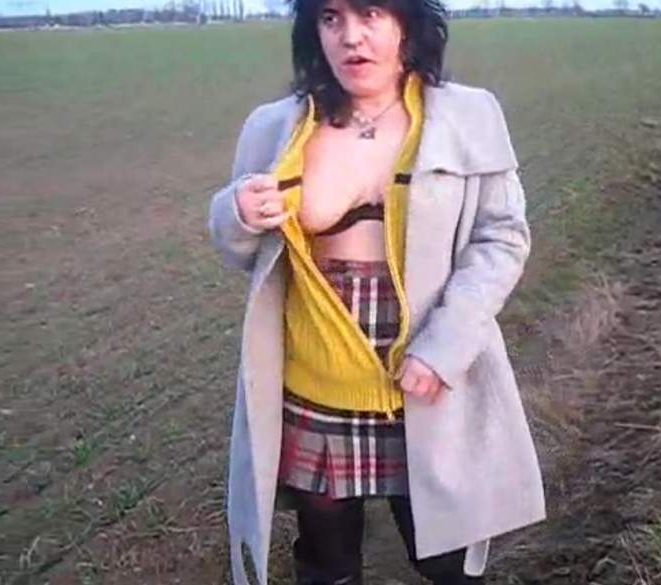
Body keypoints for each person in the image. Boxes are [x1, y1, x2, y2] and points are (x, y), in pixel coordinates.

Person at [207, 0, 547, 583]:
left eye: (370, 14)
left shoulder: (469, 116)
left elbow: (502, 237)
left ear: (408, 25)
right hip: (315, 389)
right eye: (331, 17)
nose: (350, 36)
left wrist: (444, 348)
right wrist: (236, 213)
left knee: (447, 561)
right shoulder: (275, 127)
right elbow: (244, 252)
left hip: (427, 386)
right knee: (327, 564)